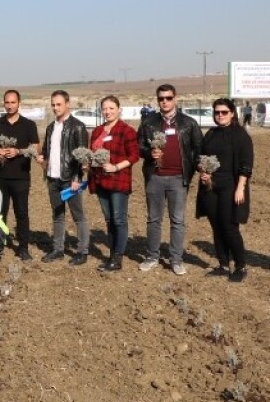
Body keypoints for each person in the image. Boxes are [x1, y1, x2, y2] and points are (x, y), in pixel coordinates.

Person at [137, 83, 203, 274]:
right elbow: (138, 146)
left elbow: (198, 149)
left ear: (175, 98)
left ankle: (176, 259)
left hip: (178, 178)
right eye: (161, 98)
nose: (165, 102)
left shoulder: (189, 123)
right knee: (154, 219)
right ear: (157, 100)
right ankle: (152, 256)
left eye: (168, 98)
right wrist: (150, 153)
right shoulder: (148, 122)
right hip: (155, 177)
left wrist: (198, 169)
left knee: (177, 220)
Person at [197, 98, 254, 282]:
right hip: (211, 186)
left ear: (232, 114)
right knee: (216, 226)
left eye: (224, 112)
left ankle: (240, 265)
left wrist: (240, 189)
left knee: (229, 227)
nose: (220, 115)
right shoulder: (211, 134)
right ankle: (223, 264)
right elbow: (202, 157)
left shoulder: (240, 135)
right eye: (217, 112)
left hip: (231, 185)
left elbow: (246, 164)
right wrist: (203, 172)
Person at [0, 90, 41, 261]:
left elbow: (36, 147)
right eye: (6, 102)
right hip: (0, 176)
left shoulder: (28, 125)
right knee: (0, 212)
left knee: (21, 213)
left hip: (21, 176)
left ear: (19, 103)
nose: (9, 106)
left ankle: (23, 247)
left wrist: (18, 151)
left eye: (12, 102)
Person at [38, 90, 91, 265]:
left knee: (78, 215)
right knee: (57, 215)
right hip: (53, 178)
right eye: (53, 104)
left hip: (70, 179)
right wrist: (42, 160)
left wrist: (77, 178)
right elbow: (47, 151)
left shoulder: (78, 126)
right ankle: (58, 249)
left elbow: (82, 154)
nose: (55, 108)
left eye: (59, 104)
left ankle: (82, 251)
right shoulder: (50, 127)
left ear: (68, 104)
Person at [88, 95, 140, 273]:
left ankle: (117, 258)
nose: (107, 112)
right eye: (104, 108)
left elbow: (134, 156)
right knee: (109, 220)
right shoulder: (97, 131)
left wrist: (116, 166)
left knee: (119, 219)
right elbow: (92, 153)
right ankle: (112, 255)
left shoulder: (127, 131)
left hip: (118, 180)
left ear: (119, 109)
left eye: (111, 108)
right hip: (100, 180)